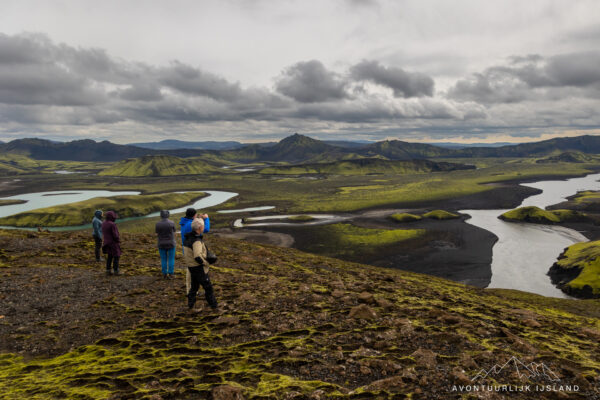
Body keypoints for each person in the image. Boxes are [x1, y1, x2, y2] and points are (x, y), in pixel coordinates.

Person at [183, 218, 217, 310]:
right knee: (208, 288)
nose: (204, 227)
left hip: (192, 267)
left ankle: (191, 306)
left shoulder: (187, 238)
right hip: (198, 268)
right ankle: (214, 307)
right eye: (203, 225)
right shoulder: (196, 240)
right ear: (199, 227)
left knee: (194, 287)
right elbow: (197, 256)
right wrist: (205, 263)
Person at [155, 210, 176, 279]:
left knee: (163, 259)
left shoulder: (157, 224)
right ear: (168, 215)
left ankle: (164, 274)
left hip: (161, 244)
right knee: (171, 259)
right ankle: (171, 273)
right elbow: (174, 231)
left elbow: (157, 233)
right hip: (171, 243)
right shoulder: (171, 223)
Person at [102, 211, 122, 276]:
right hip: (113, 243)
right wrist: (118, 240)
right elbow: (115, 235)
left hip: (106, 242)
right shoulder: (112, 224)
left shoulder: (103, 223)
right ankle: (116, 271)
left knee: (110, 256)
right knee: (116, 256)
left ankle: (108, 270)